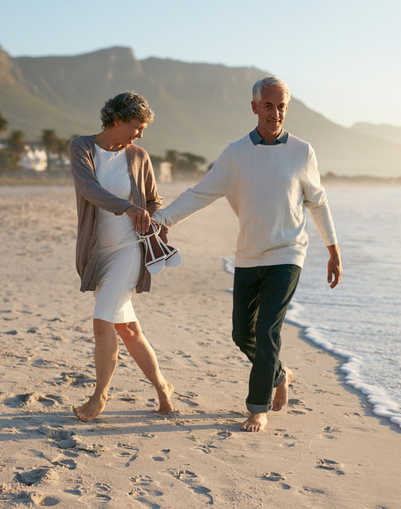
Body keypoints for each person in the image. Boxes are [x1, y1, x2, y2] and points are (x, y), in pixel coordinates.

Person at [155, 76, 342, 432]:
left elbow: (317, 202)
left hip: (288, 255)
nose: (275, 113)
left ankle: (258, 407)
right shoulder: (235, 154)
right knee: (243, 334)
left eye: (281, 106)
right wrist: (162, 219)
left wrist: (333, 250)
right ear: (255, 106)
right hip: (248, 256)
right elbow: (199, 193)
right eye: (268, 105)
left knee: (268, 330)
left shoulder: (302, 152)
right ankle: (279, 373)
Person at [69, 91, 175, 422]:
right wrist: (129, 207)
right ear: (116, 120)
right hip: (97, 252)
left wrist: (154, 218)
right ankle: (162, 387)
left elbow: (154, 200)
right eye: (136, 126)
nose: (140, 134)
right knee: (127, 328)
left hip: (129, 249)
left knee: (103, 322)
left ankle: (99, 396)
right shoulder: (82, 147)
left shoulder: (139, 156)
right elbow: (89, 189)